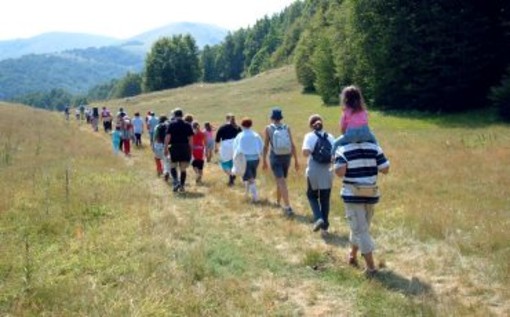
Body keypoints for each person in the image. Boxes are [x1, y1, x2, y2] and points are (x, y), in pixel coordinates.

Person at [333, 135, 390, 278]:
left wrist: (336, 161)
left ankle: (371, 268)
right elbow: (385, 169)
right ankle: (352, 255)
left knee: (360, 230)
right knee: (361, 228)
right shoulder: (374, 148)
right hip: (371, 195)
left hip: (353, 196)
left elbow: (340, 173)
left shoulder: (343, 149)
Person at [262, 107, 300, 216]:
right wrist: (296, 160)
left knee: (281, 181)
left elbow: (265, 146)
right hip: (287, 157)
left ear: (272, 117)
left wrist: (264, 160)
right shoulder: (286, 127)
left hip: (275, 157)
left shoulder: (268, 128)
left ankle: (287, 207)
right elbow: (292, 145)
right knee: (281, 180)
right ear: (281, 117)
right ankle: (278, 201)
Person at [302, 114, 335, 234]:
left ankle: (318, 217)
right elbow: (335, 155)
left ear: (311, 125)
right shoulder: (330, 136)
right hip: (327, 170)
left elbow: (305, 152)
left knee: (311, 195)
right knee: (325, 199)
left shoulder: (309, 136)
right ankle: (325, 228)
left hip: (314, 169)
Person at [233, 117, 264, 202]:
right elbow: (261, 146)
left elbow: (235, 147)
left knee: (250, 178)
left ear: (242, 125)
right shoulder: (256, 135)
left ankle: (255, 197)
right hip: (255, 159)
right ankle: (247, 194)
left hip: (244, 160)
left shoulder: (240, 136)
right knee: (250, 176)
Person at [164, 108, 194, 192]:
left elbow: (168, 137)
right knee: (183, 168)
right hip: (185, 147)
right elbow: (191, 138)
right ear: (182, 115)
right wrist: (191, 149)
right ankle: (182, 185)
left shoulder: (171, 124)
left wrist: (165, 148)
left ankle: (176, 181)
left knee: (172, 166)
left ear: (174, 115)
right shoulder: (188, 125)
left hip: (174, 147)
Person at [215, 113, 241, 186]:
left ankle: (231, 175)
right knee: (233, 162)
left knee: (224, 163)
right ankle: (232, 175)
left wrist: (216, 148)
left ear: (226, 119)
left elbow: (217, 139)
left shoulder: (222, 127)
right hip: (235, 145)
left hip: (225, 146)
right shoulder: (237, 127)